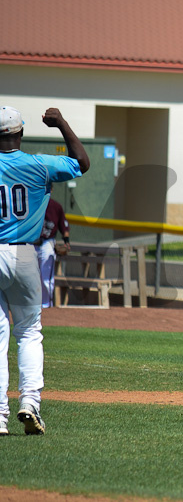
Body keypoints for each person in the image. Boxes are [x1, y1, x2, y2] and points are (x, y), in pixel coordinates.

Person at [0, 107, 90, 435]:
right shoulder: (38, 164)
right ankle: (30, 401)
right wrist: (61, 123)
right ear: (20, 133)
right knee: (28, 331)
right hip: (25, 253)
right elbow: (82, 163)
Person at [35, 198, 71, 308]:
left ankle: (46, 306)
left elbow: (64, 227)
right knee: (29, 277)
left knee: (46, 277)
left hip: (47, 243)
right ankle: (31, 305)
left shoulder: (56, 206)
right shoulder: (33, 202)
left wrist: (66, 242)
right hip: (31, 243)